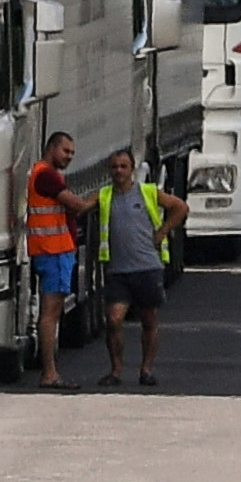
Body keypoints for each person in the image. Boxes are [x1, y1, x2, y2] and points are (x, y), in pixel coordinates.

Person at [91, 150, 177, 387]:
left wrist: (162, 231)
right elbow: (81, 206)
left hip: (147, 268)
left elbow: (179, 207)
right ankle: (116, 370)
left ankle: (146, 370)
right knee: (114, 320)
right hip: (118, 270)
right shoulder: (105, 195)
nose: (119, 171)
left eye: (123, 166)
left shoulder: (147, 192)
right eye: (115, 167)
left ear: (132, 169)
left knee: (148, 319)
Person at [23, 131, 79, 384]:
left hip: (52, 250)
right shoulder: (46, 175)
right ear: (51, 148)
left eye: (72, 153)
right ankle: (50, 373)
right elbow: (76, 204)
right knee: (50, 315)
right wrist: (101, 197)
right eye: (65, 151)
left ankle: (50, 371)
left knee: (51, 313)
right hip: (52, 251)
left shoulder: (43, 173)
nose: (69, 157)